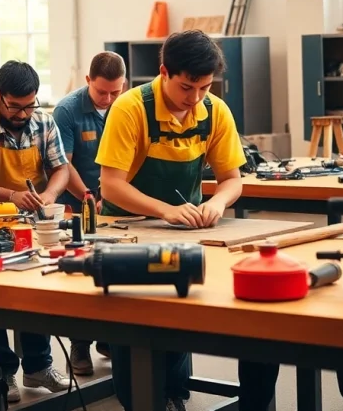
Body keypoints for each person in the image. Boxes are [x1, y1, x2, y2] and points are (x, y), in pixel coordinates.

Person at [96, 30, 245, 411]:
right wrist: (164, 210)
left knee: (181, 310)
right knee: (133, 323)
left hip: (186, 230)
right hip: (125, 232)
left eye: (205, 87)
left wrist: (218, 203)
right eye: (186, 87)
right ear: (163, 71)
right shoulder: (130, 108)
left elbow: (232, 180)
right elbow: (110, 186)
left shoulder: (214, 110)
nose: (195, 99)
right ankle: (140, 400)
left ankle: (172, 392)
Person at [0, 60, 71, 403]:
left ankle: (38, 366)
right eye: (15, 106)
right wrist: (11, 196)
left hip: (36, 225)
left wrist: (50, 194)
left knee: (35, 293)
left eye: (29, 105)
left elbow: (60, 168)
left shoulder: (44, 121)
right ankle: (2, 371)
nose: (23, 113)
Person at [51, 51, 126, 376]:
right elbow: (64, 162)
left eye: (115, 92)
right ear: (87, 82)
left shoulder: (126, 106)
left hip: (116, 201)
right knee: (82, 270)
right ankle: (80, 343)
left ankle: (110, 337)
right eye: (101, 92)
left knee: (118, 265)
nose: (109, 99)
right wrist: (86, 195)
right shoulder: (67, 110)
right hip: (77, 200)